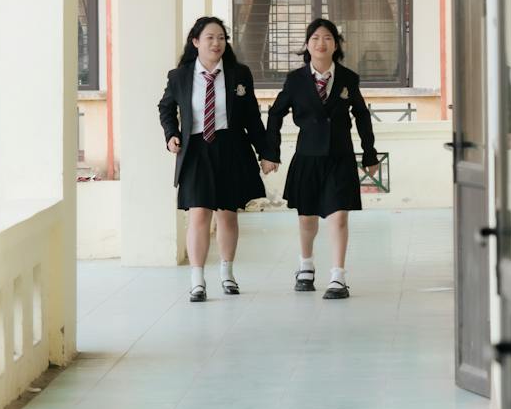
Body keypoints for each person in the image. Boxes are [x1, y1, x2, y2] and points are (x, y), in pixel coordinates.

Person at [262, 18, 380, 299]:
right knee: (307, 219)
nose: (321, 43)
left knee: (339, 217)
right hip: (308, 158)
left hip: (340, 157)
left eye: (327, 37)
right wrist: (270, 153)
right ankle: (306, 265)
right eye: (315, 38)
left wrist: (370, 153)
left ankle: (338, 276)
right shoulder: (295, 80)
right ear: (307, 45)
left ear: (335, 44)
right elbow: (276, 114)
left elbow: (362, 116)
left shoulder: (348, 78)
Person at [158, 16, 272, 302]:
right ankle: (197, 280)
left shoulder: (239, 74)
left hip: (230, 147)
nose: (216, 43)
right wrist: (171, 134)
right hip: (195, 149)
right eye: (210, 37)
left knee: (227, 214)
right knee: (198, 213)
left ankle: (227, 273)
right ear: (195, 41)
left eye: (221, 37)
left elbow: (252, 119)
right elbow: (166, 107)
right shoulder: (180, 76)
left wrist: (266, 153)